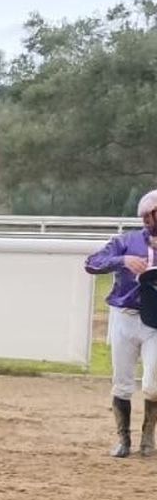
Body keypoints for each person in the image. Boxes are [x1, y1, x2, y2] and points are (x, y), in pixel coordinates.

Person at [84, 191, 157, 457]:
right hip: (124, 317)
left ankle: (148, 435)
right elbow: (92, 263)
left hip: (155, 321)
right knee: (123, 381)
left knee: (153, 382)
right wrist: (122, 260)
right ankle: (123, 439)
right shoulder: (125, 241)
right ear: (147, 216)